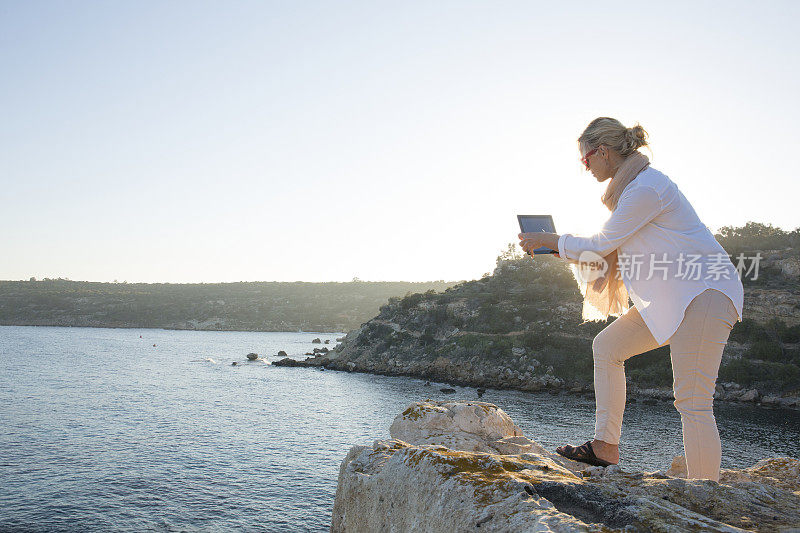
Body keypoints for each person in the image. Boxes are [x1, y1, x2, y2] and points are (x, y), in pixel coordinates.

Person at [517, 117, 743, 481]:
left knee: (693, 401)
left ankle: (705, 494)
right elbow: (606, 248)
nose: (585, 167)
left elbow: (601, 245)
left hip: (705, 294)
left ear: (603, 151)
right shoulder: (632, 191)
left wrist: (551, 240)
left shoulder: (646, 189)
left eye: (585, 160)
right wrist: (559, 249)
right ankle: (605, 446)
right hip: (675, 298)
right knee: (607, 347)